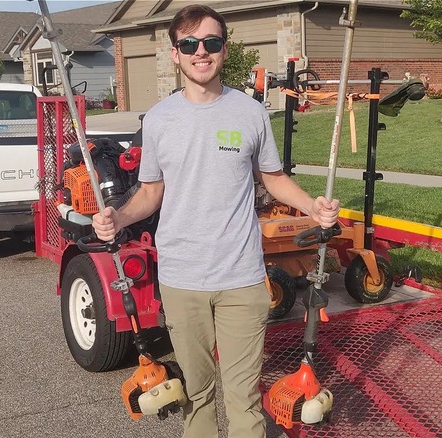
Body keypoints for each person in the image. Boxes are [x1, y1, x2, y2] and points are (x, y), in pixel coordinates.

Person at [91, 5, 340, 437]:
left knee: (243, 399)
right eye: (189, 44)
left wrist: (311, 206)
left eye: (211, 42)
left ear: (225, 49)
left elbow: (274, 178)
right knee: (198, 394)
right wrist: (118, 215)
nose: (200, 52)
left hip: (241, 279)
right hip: (181, 278)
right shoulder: (160, 120)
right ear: (175, 54)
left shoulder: (250, 113)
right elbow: (150, 193)